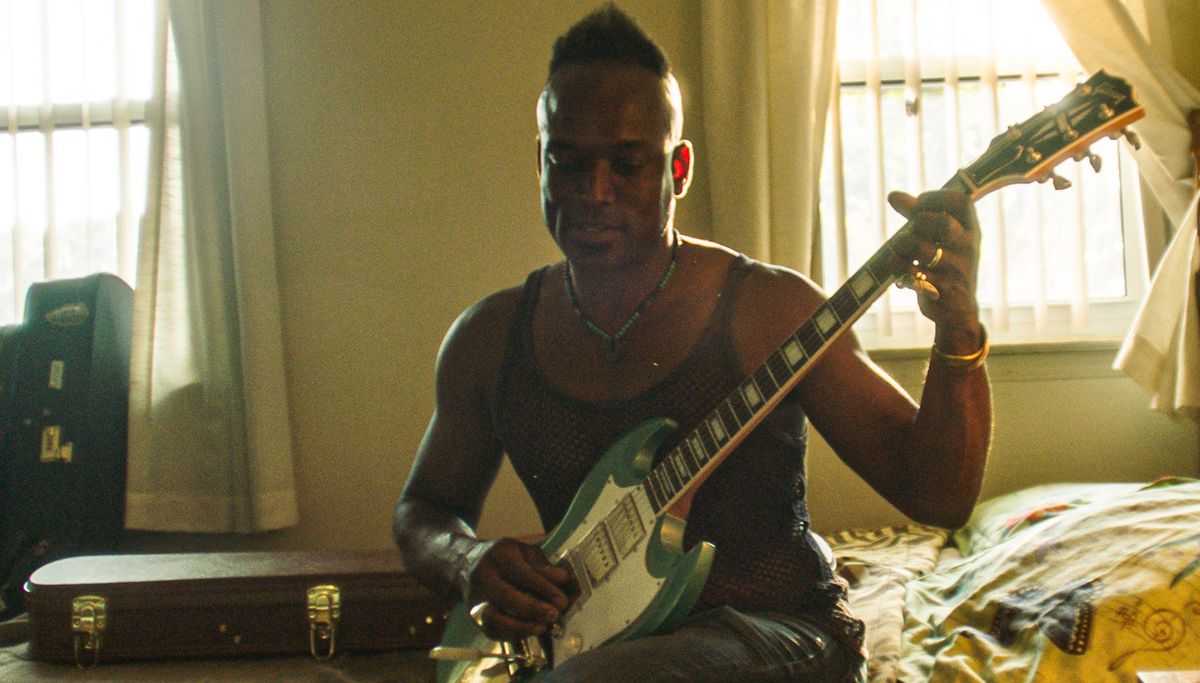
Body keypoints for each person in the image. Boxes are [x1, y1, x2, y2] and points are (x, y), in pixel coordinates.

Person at [393, 5, 991, 682]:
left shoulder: (768, 310)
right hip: (588, 650)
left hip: (780, 634)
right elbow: (423, 511)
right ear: (540, 160)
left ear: (678, 168)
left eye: (628, 164)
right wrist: (466, 561)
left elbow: (938, 495)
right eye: (568, 161)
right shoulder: (488, 337)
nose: (595, 192)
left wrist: (958, 328)